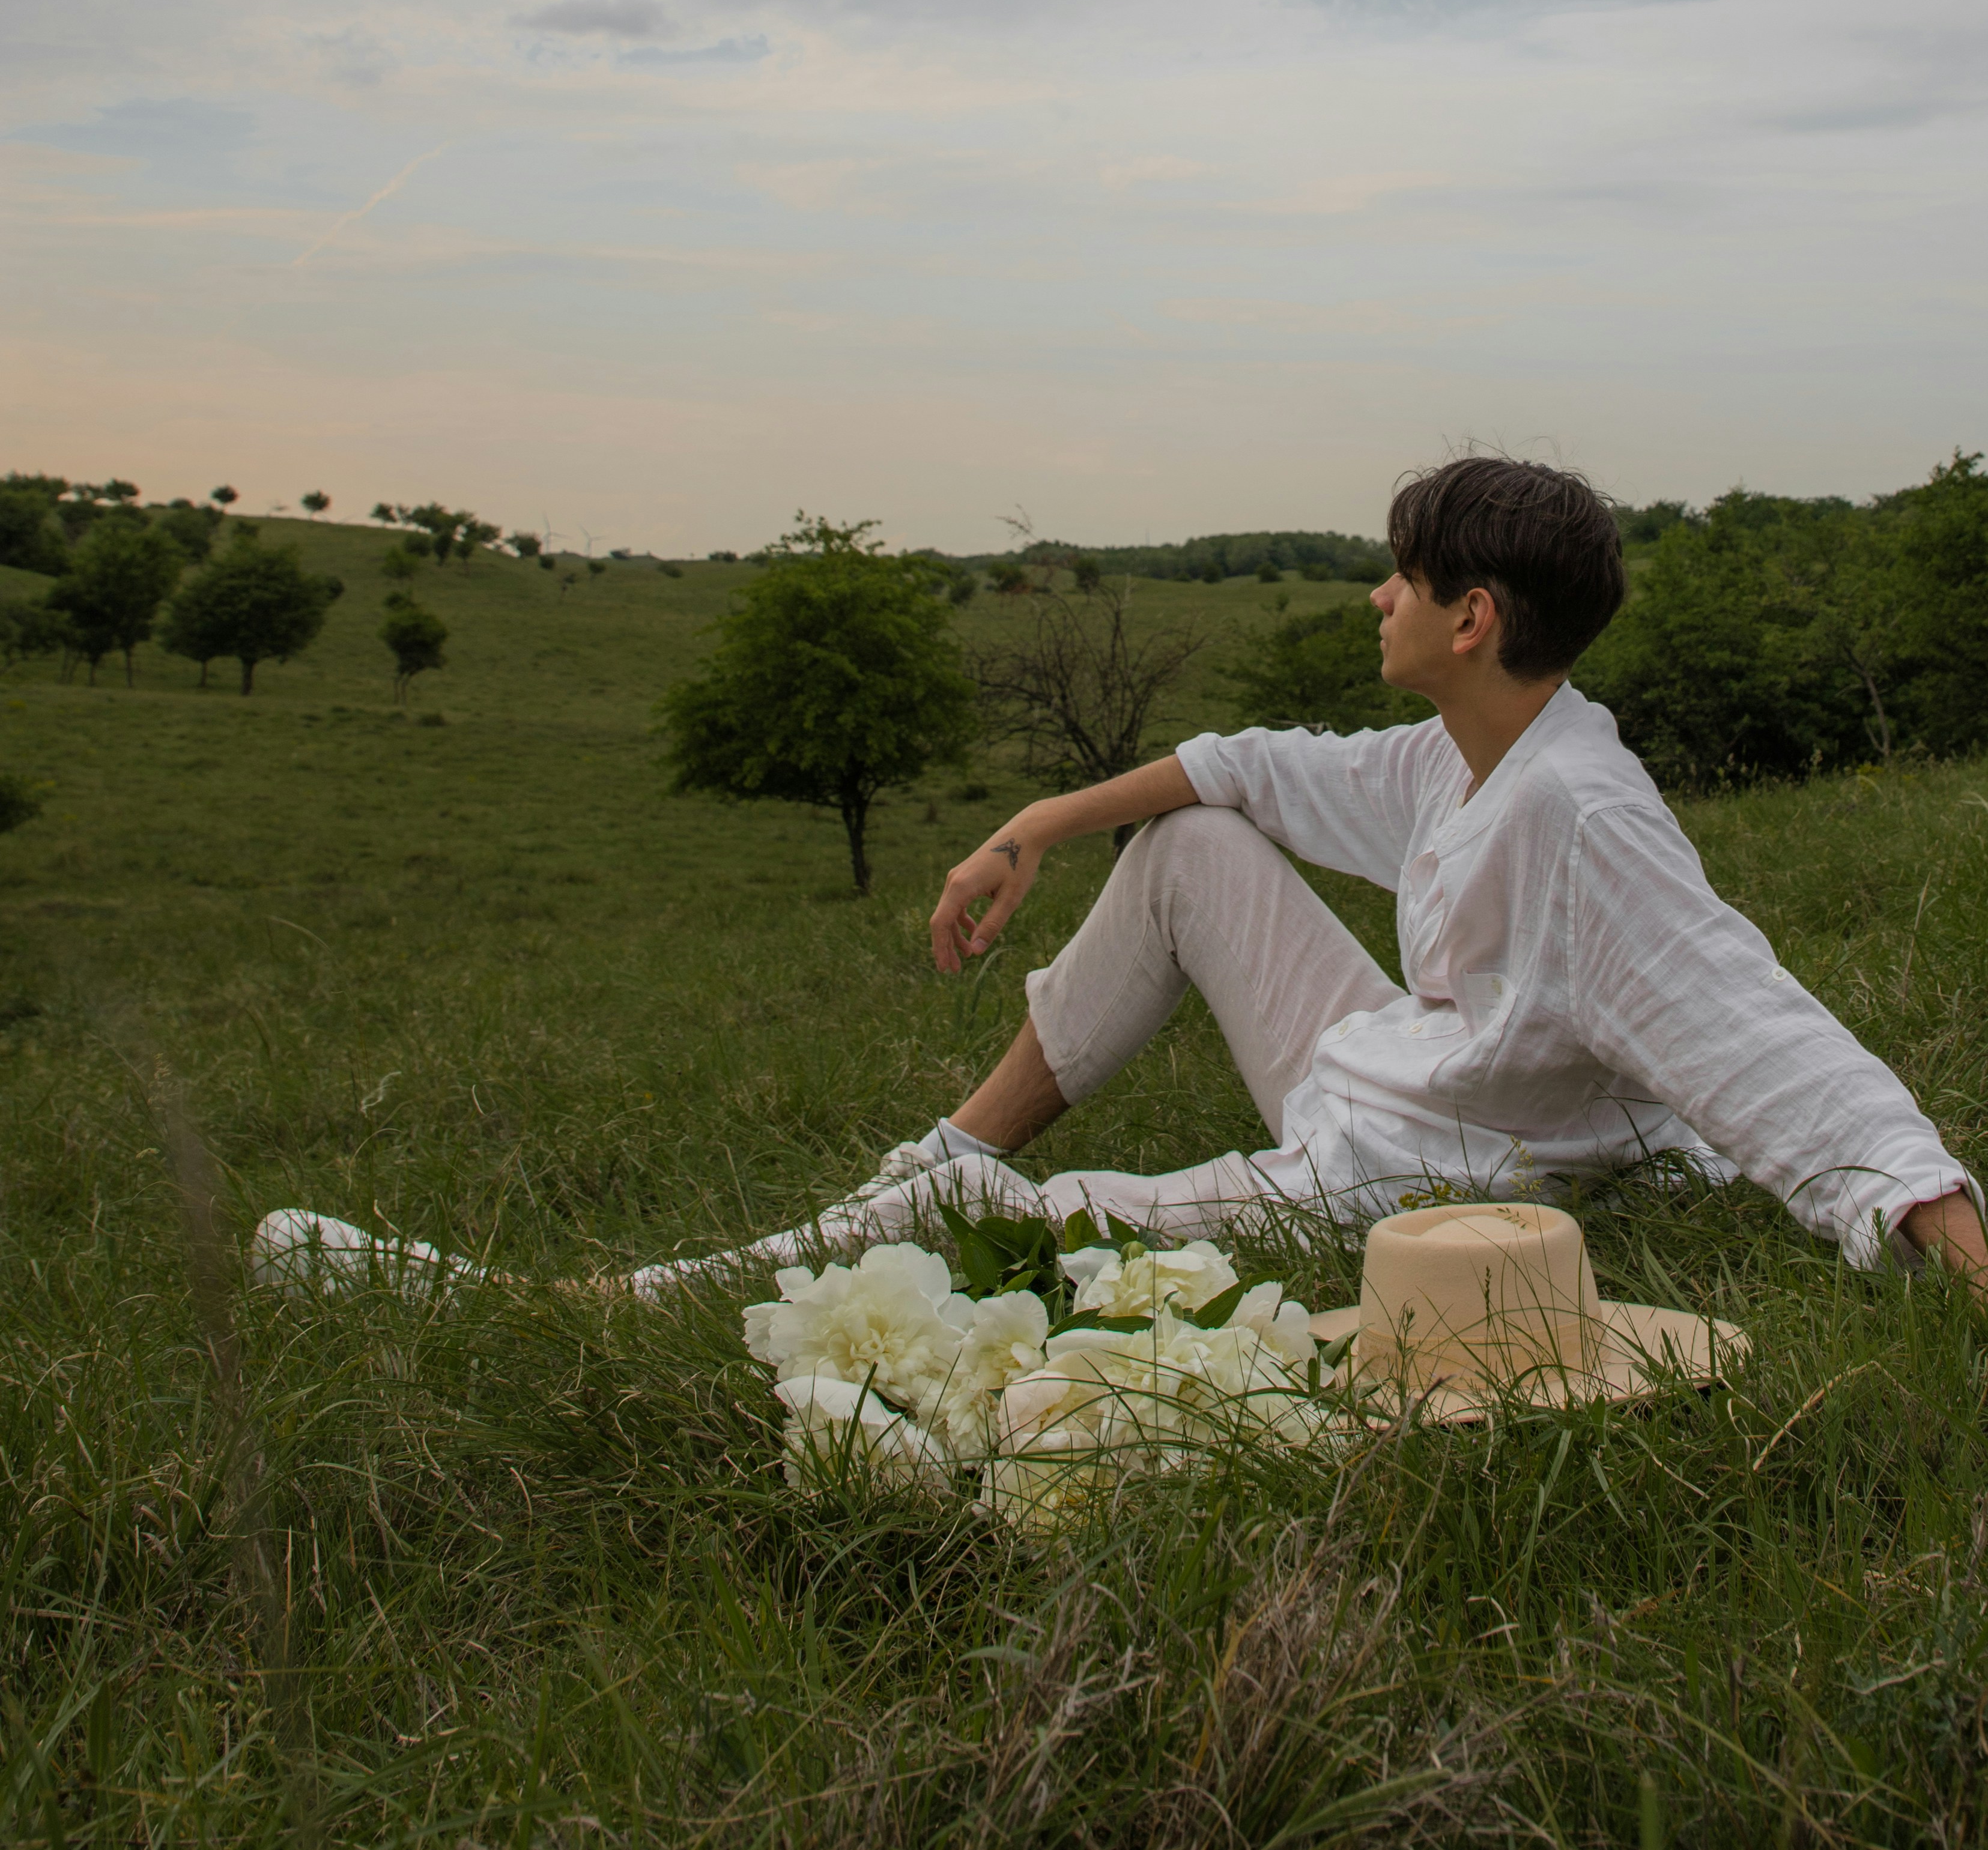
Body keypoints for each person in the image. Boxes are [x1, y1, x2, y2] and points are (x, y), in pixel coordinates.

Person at [252, 456, 1986, 1307]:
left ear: (1473, 618)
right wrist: (1033, 823)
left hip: (1403, 1179)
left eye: (1401, 577)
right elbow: (1246, 767)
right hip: (1379, 1073)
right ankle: (951, 1142)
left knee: (993, 1236)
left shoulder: (1583, 814)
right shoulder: (1471, 753)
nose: (1373, 597)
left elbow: (1762, 1027)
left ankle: (594, 1304)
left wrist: (1935, 1217)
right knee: (1192, 843)